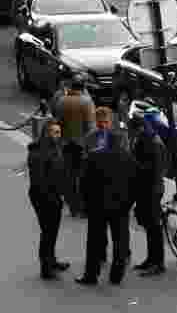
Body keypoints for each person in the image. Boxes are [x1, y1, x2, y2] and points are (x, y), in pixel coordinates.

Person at [76, 107, 136, 286]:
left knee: (93, 241)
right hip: (120, 205)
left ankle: (91, 275)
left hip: (98, 205)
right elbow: (134, 182)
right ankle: (116, 275)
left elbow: (84, 182)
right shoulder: (127, 157)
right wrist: (128, 202)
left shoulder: (94, 157)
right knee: (120, 240)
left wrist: (85, 203)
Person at [27, 118, 70, 280]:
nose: (58, 135)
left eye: (59, 132)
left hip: (53, 195)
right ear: (46, 133)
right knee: (48, 232)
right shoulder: (39, 152)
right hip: (44, 197)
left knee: (52, 231)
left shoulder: (54, 147)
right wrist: (52, 196)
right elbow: (39, 179)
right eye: (55, 132)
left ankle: (51, 261)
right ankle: (46, 267)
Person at [128, 105, 167, 277]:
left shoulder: (151, 142)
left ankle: (157, 263)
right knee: (149, 226)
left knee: (153, 226)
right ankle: (151, 259)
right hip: (145, 188)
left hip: (151, 189)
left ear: (140, 128)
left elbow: (153, 169)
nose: (132, 134)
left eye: (133, 131)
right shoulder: (144, 139)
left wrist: (132, 165)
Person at [53, 73, 95, 218]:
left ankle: (73, 206)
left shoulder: (62, 101)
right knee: (83, 177)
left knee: (69, 176)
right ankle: (83, 208)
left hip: (66, 144)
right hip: (82, 145)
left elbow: (57, 122)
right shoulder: (86, 102)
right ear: (83, 86)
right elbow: (90, 127)